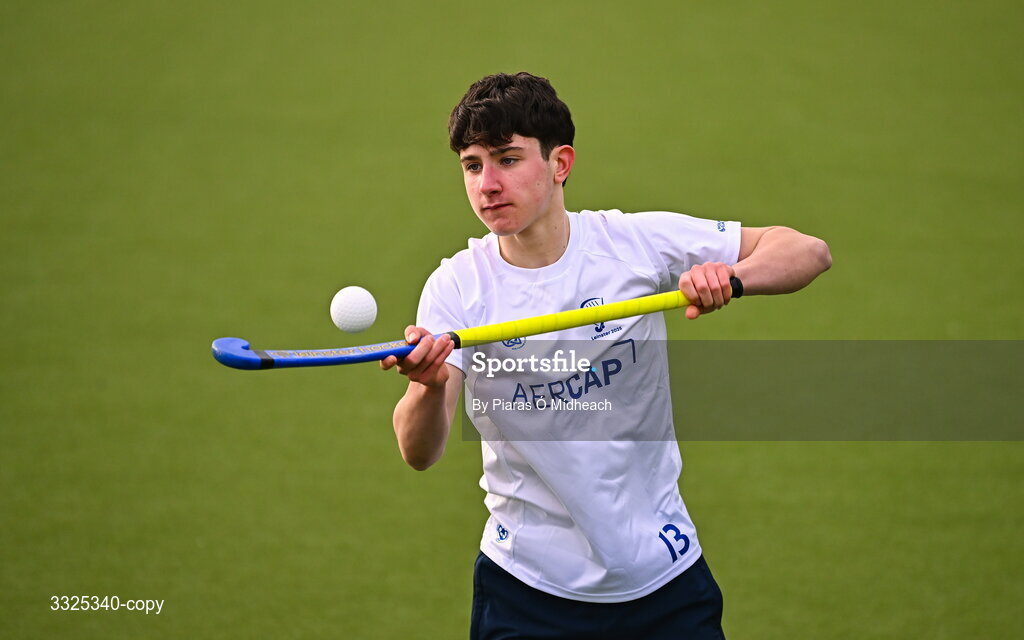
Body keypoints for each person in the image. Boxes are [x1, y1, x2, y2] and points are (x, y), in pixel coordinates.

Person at [381, 72, 831, 639]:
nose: (487, 184)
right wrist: (426, 385)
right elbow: (419, 452)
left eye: (507, 159)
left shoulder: (632, 245)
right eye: (472, 166)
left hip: (664, 578)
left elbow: (807, 251)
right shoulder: (457, 288)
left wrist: (731, 278)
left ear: (560, 163)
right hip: (527, 589)